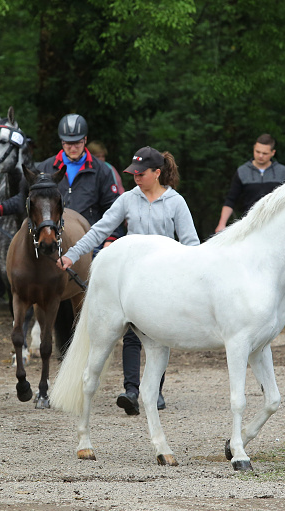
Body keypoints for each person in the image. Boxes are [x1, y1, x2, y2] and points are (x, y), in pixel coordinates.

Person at [58, 146, 200, 415]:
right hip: (135, 280)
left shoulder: (176, 202)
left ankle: (156, 389)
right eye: (132, 173)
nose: (135, 177)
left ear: (157, 173)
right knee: (133, 334)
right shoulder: (127, 199)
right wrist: (72, 254)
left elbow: (191, 242)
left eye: (141, 173)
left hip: (165, 279)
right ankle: (132, 390)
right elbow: (100, 228)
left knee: (160, 334)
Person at [0, 114, 122, 245]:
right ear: (61, 142)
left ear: (85, 140)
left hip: (89, 240)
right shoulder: (45, 167)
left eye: (77, 142)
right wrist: (0, 209)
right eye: (68, 143)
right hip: (55, 238)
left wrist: (110, 239)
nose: (73, 147)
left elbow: (113, 208)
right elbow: (27, 198)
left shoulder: (102, 171)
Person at [214, 133, 285, 232]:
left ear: (273, 152)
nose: (260, 156)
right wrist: (221, 224)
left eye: (265, 153)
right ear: (253, 148)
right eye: (257, 151)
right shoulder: (242, 171)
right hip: (249, 225)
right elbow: (230, 200)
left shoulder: (282, 172)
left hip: (277, 224)